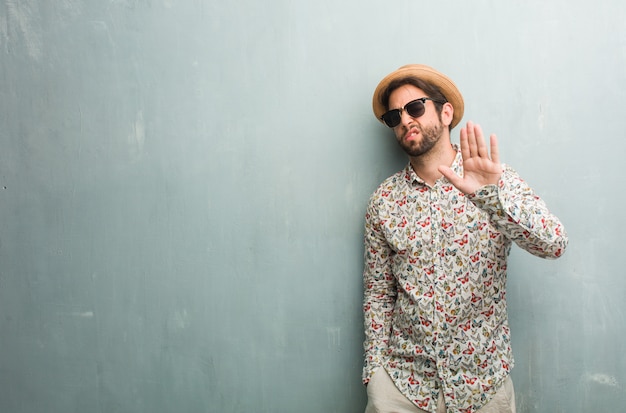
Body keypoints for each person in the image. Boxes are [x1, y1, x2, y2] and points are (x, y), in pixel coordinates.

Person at [362, 64, 568, 413]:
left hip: (483, 386)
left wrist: (490, 198)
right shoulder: (383, 201)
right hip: (401, 387)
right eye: (395, 116)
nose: (405, 120)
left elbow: (554, 243)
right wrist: (375, 374)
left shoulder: (494, 180)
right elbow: (379, 293)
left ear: (446, 113)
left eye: (415, 108)